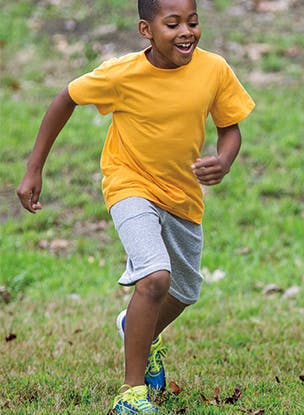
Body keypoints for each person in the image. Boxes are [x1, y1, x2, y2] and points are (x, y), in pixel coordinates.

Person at [15, 0, 255, 412]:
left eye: (193, 22)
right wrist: (34, 168)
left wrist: (224, 161)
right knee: (154, 278)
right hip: (129, 183)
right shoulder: (121, 73)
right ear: (146, 30)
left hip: (182, 195)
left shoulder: (214, 69)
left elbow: (229, 128)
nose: (186, 32)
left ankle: (135, 328)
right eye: (173, 23)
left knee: (183, 291)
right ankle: (131, 395)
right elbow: (65, 98)